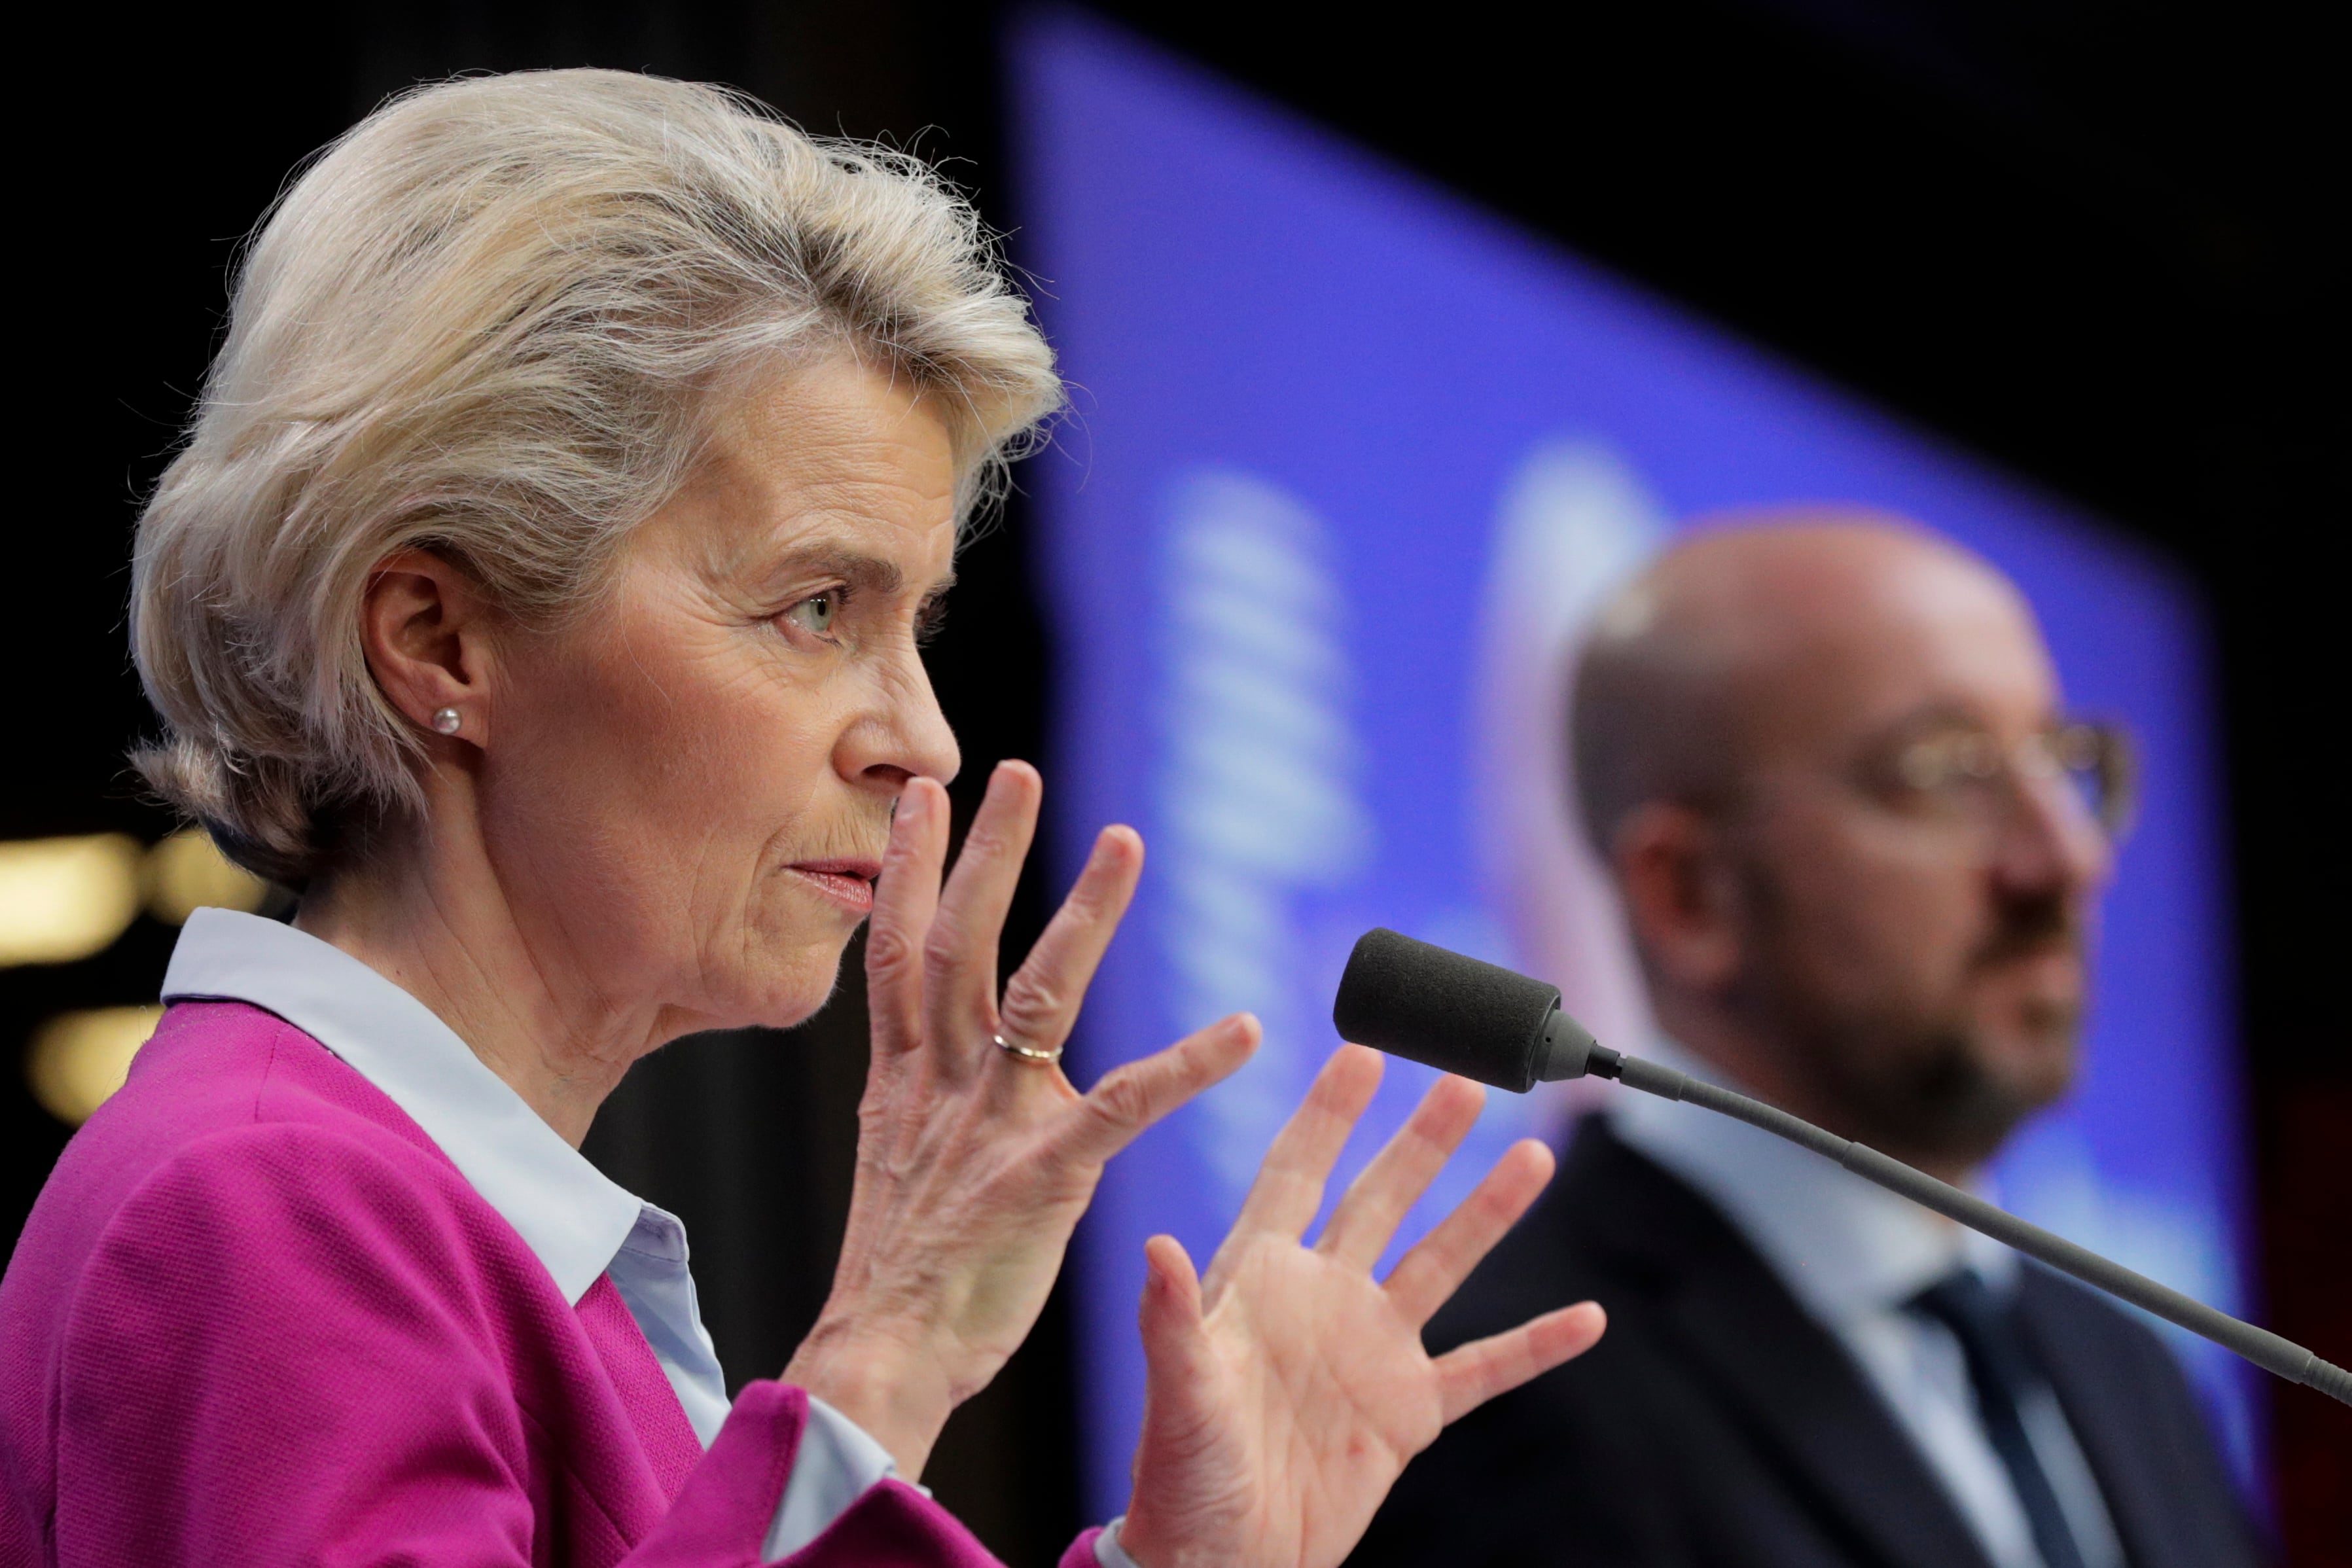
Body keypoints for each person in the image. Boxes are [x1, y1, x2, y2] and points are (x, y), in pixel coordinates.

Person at [0, 70, 1608, 1568]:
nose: (925, 739)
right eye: (814, 606)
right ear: (439, 640)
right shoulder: (272, 1200)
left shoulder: (441, 1218)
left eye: (918, 625)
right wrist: (882, 1361)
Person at [1353, 517, 2258, 1568]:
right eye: (1949, 771)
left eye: (2062, 763)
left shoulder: (2127, 1366)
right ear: (1688, 895)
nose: (2064, 861)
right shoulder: (1496, 1388)